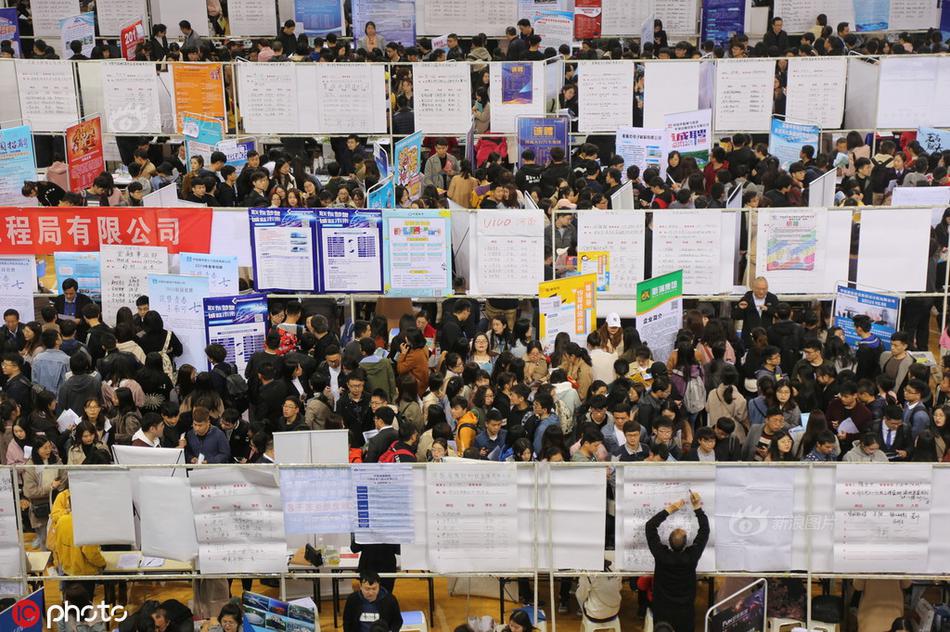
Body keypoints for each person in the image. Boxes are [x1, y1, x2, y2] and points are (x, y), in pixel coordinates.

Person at [645, 491, 709, 632]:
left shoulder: (661, 556)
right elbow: (705, 531)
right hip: (684, 612)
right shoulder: (691, 557)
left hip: (662, 611)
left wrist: (671, 509)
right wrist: (697, 507)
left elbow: (650, 526)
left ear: (668, 542)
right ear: (686, 543)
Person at [734, 277, 779, 344]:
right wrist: (740, 308)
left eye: (764, 289)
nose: (761, 292)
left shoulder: (772, 298)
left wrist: (768, 309)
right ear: (753, 288)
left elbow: (778, 314)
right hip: (749, 337)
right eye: (758, 289)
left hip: (767, 337)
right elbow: (736, 316)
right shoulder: (746, 298)